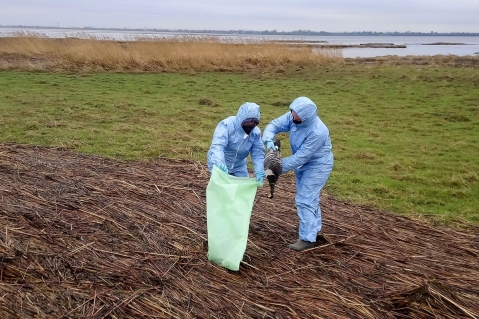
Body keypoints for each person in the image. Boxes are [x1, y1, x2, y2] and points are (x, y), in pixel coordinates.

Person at [262, 96, 333, 251]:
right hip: (302, 165)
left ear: (305, 117)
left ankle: (307, 239)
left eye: (296, 114)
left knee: (305, 199)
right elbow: (273, 125)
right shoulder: (294, 117)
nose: (292, 115)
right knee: (309, 197)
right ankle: (315, 230)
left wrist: (272, 169)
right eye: (292, 111)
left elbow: (300, 157)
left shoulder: (318, 132)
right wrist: (268, 139)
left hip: (317, 165)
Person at [207, 102, 266, 183]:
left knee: (242, 190)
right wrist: (219, 162)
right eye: (248, 121)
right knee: (221, 189)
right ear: (242, 118)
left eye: (254, 122)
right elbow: (218, 146)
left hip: (239, 166)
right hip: (221, 163)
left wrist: (259, 170)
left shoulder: (255, 133)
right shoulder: (227, 125)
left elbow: (258, 152)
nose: (251, 124)